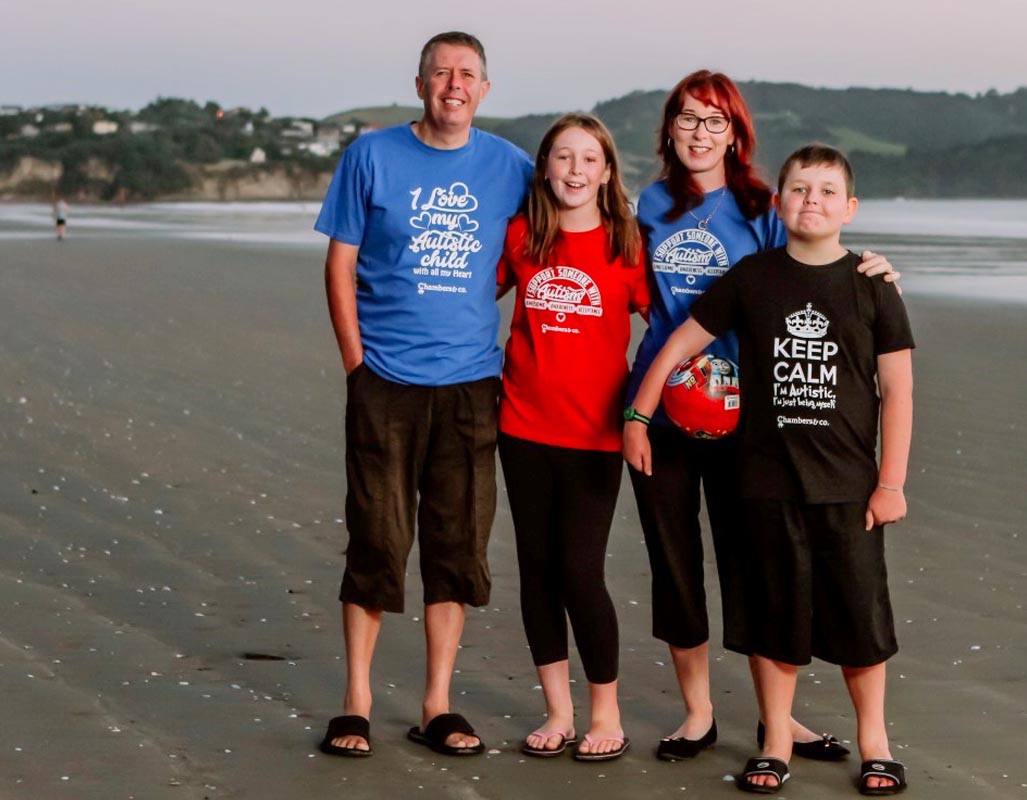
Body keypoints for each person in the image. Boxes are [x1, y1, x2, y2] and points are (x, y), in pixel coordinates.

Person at [625, 70, 898, 762]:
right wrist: (633, 409)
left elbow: (817, 254)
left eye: (716, 121)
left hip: (750, 417)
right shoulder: (647, 206)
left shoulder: (763, 206)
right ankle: (697, 712)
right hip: (665, 408)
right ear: (669, 128)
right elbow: (618, 287)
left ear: (736, 133)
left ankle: (781, 723)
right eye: (688, 118)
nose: (700, 132)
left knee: (760, 565)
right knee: (675, 561)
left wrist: (879, 269)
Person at [313, 31, 533, 758]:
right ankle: (357, 700)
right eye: (441, 72)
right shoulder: (371, 156)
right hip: (384, 381)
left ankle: (438, 703)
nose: (454, 84)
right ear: (420, 83)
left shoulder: (511, 166)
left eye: (467, 74)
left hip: (471, 386)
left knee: (456, 546)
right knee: (377, 538)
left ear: (485, 90)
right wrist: (356, 363)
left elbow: (574, 227)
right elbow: (339, 263)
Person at [496, 113, 649, 761]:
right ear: (546, 167)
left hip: (595, 436)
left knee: (581, 571)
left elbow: (678, 325)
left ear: (607, 172)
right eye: (563, 158)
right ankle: (558, 710)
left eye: (589, 159)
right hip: (522, 426)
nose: (575, 171)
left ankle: (604, 713)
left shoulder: (627, 244)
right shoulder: (522, 236)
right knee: (537, 569)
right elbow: (463, 295)